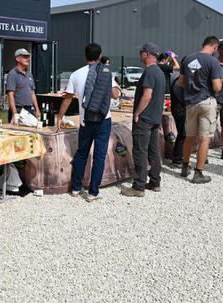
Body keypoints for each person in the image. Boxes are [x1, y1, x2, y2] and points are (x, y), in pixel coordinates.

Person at [56, 43, 121, 202]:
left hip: (85, 121)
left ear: (85, 56)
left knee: (82, 153)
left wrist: (59, 117)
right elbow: (115, 95)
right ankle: (93, 192)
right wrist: (116, 85)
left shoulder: (76, 75)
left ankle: (76, 188)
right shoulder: (106, 73)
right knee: (99, 156)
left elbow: (68, 98)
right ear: (100, 56)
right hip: (103, 120)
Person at [121, 42, 166, 197]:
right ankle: (155, 181)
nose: (140, 54)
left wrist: (137, 113)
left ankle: (138, 186)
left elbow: (147, 95)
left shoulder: (149, 72)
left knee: (140, 150)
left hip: (145, 118)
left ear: (147, 54)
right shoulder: (160, 72)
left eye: (141, 52)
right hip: (155, 117)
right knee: (154, 150)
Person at [178, 36, 223, 184]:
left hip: (190, 103)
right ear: (215, 47)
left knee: (189, 136)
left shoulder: (188, 59)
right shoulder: (213, 61)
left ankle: (185, 167)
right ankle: (198, 173)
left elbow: (180, 82)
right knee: (205, 138)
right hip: (206, 101)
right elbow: (217, 87)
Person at [6, 48, 41, 125]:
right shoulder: (12, 74)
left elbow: (32, 93)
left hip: (29, 110)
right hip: (18, 109)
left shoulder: (29, 74)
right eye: (25, 56)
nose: (28, 58)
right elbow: (10, 95)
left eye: (28, 56)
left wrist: (37, 110)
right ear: (17, 59)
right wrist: (15, 114)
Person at [168, 74, 187, 168]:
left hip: (178, 108)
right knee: (182, 134)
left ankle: (178, 156)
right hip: (180, 109)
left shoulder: (177, 78)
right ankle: (177, 158)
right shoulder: (179, 80)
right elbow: (183, 97)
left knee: (183, 134)